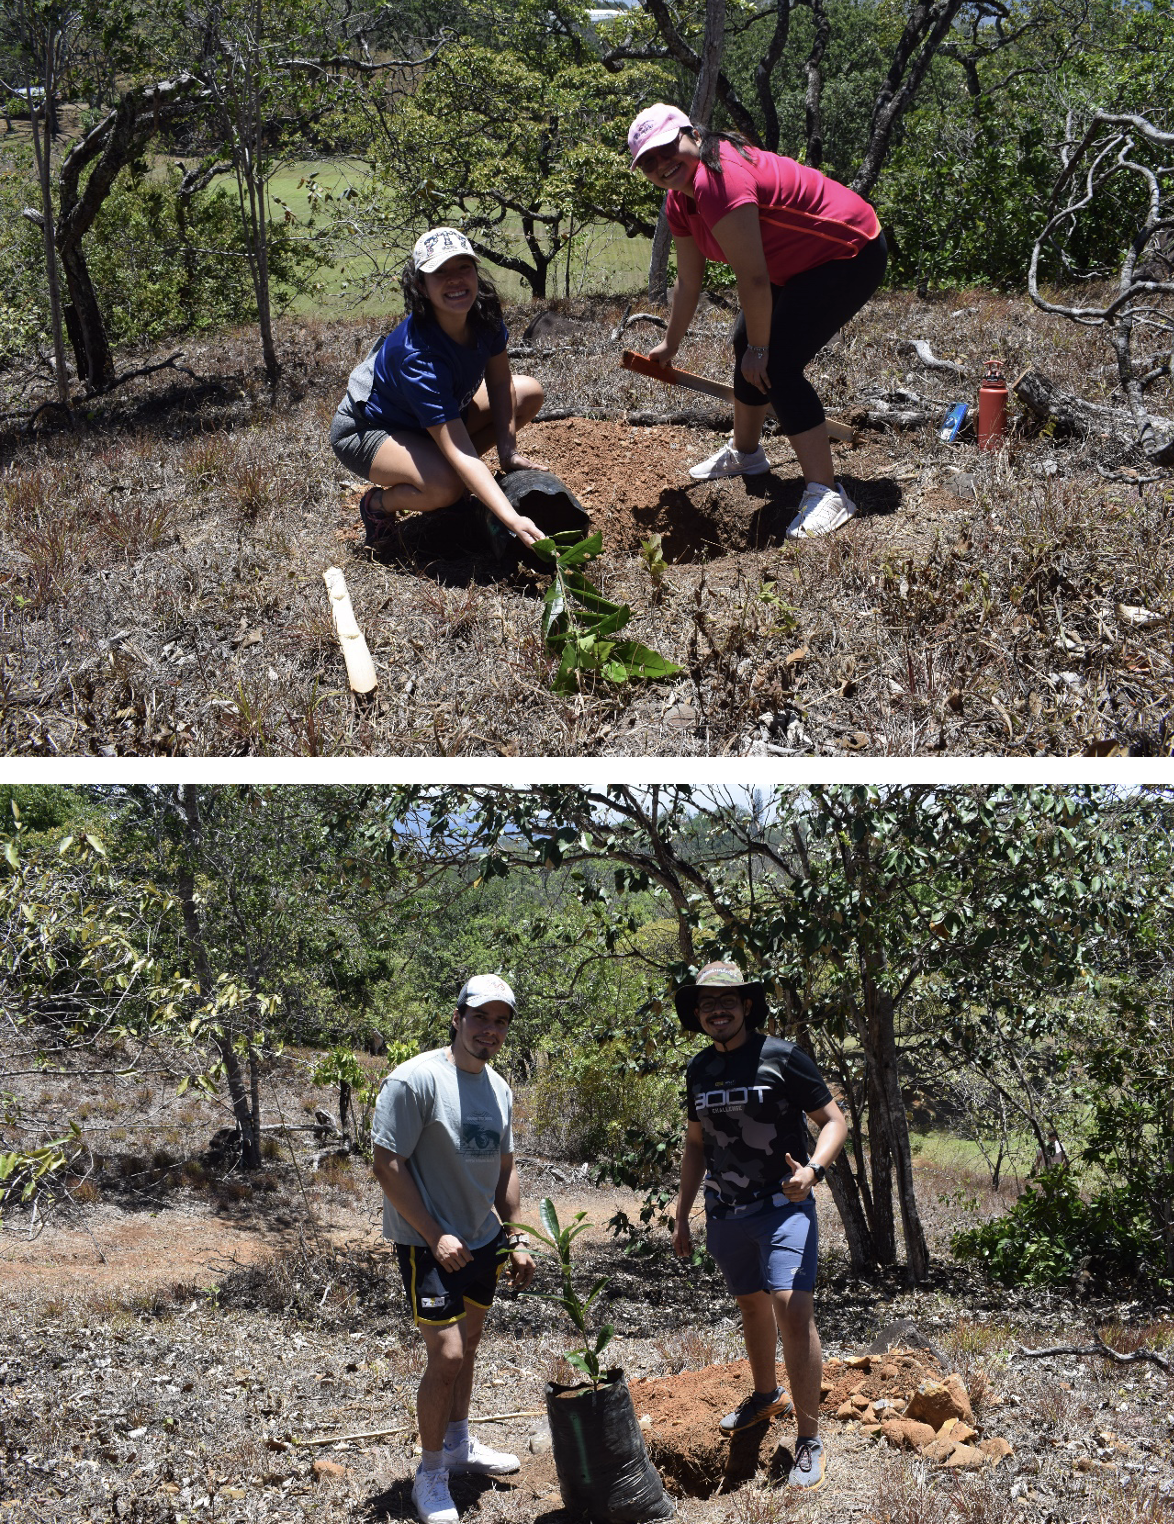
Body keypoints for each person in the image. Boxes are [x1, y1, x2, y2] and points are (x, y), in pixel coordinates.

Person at [628, 104, 888, 539]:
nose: (661, 165)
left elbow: (752, 277)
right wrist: (670, 344)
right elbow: (689, 282)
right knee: (745, 340)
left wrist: (763, 350)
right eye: (648, 162)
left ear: (690, 134)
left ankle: (827, 492)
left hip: (848, 250)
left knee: (776, 364)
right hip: (798, 264)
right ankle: (746, 453)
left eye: (666, 148)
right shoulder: (680, 201)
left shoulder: (719, 181)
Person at [670, 961, 847, 1494]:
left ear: (747, 1006)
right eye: (706, 1004)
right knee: (750, 1305)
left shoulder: (783, 1056)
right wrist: (682, 1215)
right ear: (698, 1014)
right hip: (725, 1211)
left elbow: (834, 1121)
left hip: (782, 1205)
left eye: (727, 1001)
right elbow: (696, 1145)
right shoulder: (699, 1070)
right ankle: (767, 1395)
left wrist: (813, 1171)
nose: (716, 1010)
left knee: (792, 1307)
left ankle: (810, 1439)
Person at [372, 974, 536, 1524]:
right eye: (480, 1018)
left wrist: (515, 1236)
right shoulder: (414, 1080)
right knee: (445, 1357)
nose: (489, 1031)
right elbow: (387, 1164)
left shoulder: (498, 1088)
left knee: (468, 1344)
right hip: (429, 1245)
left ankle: (460, 1444)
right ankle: (431, 1473)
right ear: (457, 1016)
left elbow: (504, 1170)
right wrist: (432, 1233)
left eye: (500, 1022)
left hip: (482, 1240)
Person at [330, 227, 548, 552]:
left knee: (527, 392)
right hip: (369, 429)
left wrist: (508, 451)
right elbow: (459, 450)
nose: (455, 280)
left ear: (476, 271)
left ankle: (447, 472)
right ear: (421, 285)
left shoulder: (484, 313)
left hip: (422, 424)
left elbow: (501, 383)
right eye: (440, 272)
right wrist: (510, 516)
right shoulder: (419, 356)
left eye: (464, 267)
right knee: (445, 485)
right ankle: (377, 505)